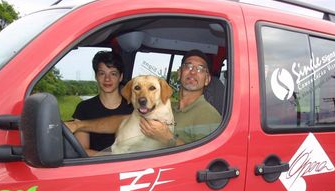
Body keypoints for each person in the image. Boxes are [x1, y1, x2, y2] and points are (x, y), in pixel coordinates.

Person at [66, 49, 221, 150]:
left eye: (200, 69)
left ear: (207, 79)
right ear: (179, 73)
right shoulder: (164, 106)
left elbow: (208, 159)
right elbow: (124, 121)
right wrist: (79, 124)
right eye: (188, 66)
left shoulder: (209, 114)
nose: (193, 72)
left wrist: (168, 138)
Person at [72, 51, 133, 155]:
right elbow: (82, 151)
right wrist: (115, 157)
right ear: (96, 76)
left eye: (113, 73)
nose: (107, 79)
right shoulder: (84, 108)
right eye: (102, 73)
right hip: (98, 167)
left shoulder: (133, 107)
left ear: (121, 77)